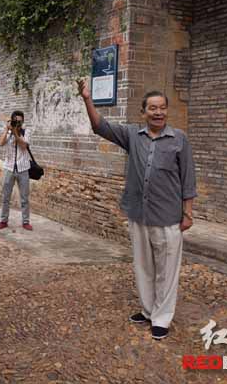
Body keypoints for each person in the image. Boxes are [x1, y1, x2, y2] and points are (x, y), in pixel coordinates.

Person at [77, 79, 197, 340]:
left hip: (168, 216)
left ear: (167, 110)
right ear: (143, 112)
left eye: (162, 108)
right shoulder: (132, 135)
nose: (158, 112)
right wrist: (87, 98)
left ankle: (162, 317)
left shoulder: (179, 139)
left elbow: (188, 178)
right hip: (139, 214)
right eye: (152, 108)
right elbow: (100, 127)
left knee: (166, 269)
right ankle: (147, 309)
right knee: (143, 265)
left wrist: (188, 213)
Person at [0, 110, 33, 231]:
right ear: (12, 120)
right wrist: (8, 129)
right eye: (15, 121)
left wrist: (16, 133)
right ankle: (3, 220)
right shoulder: (9, 132)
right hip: (9, 168)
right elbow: (0, 143)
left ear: (23, 121)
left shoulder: (26, 131)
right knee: (6, 197)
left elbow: (24, 145)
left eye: (20, 121)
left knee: (24, 197)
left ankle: (26, 221)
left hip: (23, 168)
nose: (18, 123)